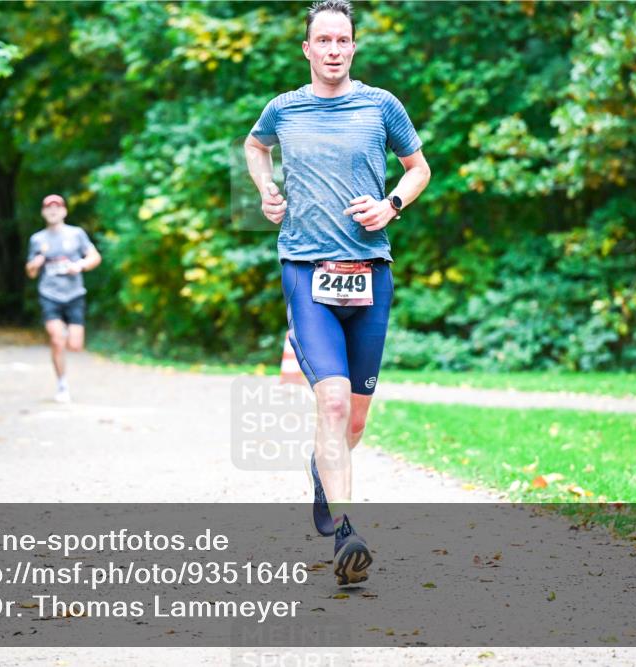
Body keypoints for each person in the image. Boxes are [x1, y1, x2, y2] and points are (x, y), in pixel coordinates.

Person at [244, 0, 431, 585]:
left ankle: (323, 471)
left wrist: (391, 205)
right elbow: (255, 147)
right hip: (306, 269)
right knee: (330, 402)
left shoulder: (381, 106)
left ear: (353, 47)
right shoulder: (284, 109)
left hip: (371, 272)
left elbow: (419, 169)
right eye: (322, 40)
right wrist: (265, 189)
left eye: (342, 40)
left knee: (352, 421)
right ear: (307, 49)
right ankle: (348, 534)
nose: (332, 49)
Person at [25, 194, 102, 403]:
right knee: (56, 339)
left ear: (64, 211)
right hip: (49, 294)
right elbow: (30, 272)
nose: (53, 211)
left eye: (57, 207)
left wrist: (80, 265)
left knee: (75, 345)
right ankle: (62, 384)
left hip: (74, 294)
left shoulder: (76, 234)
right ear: (43, 212)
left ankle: (67, 333)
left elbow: (95, 257)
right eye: (48, 207)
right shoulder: (37, 239)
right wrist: (35, 263)